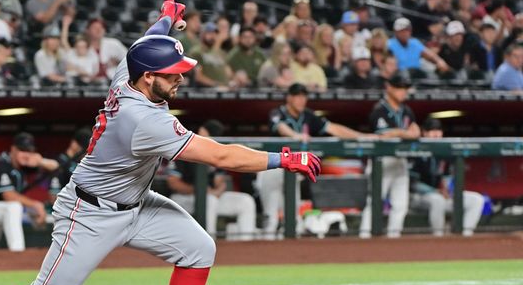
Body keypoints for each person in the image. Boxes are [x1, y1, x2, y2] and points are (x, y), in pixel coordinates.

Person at [0, 1, 320, 285]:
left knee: (199, 249)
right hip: (90, 213)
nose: (181, 77)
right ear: (149, 77)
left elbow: (141, 45)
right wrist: (283, 159)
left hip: (136, 202)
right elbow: (221, 157)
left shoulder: (127, 74)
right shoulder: (144, 119)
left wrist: (165, 20)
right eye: (173, 73)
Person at [258, 83, 371, 239]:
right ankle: (264, 255)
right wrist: (294, 136)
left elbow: (333, 129)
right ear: (289, 98)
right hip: (272, 168)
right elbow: (281, 127)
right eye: (297, 96)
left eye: (304, 96)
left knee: (293, 218)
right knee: (271, 217)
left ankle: (287, 257)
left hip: (292, 171)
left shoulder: (308, 116)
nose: (301, 100)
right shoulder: (278, 112)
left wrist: (362, 136)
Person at [0, 132, 58, 252]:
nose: (26, 155)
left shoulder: (23, 165)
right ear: (13, 149)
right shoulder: (1, 163)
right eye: (22, 150)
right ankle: (17, 251)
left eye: (29, 151)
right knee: (14, 207)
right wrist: (36, 205)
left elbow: (55, 166)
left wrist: (40, 161)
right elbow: (8, 195)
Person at [167, 120, 258, 240]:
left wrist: (216, 191)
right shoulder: (183, 150)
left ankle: (247, 245)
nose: (201, 135)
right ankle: (209, 242)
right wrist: (200, 191)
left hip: (210, 197)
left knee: (246, 201)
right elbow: (173, 183)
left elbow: (220, 182)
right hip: (183, 198)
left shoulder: (216, 153)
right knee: (209, 200)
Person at [359, 73, 421, 239]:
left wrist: (399, 133)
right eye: (400, 88)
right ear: (389, 88)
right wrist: (403, 132)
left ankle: (394, 238)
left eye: (405, 88)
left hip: (400, 161)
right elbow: (383, 135)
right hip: (382, 161)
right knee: (375, 203)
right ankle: (365, 236)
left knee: (401, 204)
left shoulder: (406, 110)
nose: (403, 92)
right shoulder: (379, 110)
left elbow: (416, 132)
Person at [410, 117, 485, 237]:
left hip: (441, 195)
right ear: (424, 133)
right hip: (418, 198)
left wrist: (448, 189)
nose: (436, 134)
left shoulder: (445, 152)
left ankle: (464, 235)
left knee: (477, 199)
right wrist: (436, 191)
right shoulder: (416, 151)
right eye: (432, 130)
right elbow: (413, 184)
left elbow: (447, 177)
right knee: (437, 200)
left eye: (438, 130)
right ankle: (439, 237)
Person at [48, 128, 93, 200]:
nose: (85, 153)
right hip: (63, 208)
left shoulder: (78, 163)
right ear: (74, 143)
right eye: (83, 149)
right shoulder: (60, 162)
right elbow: (53, 196)